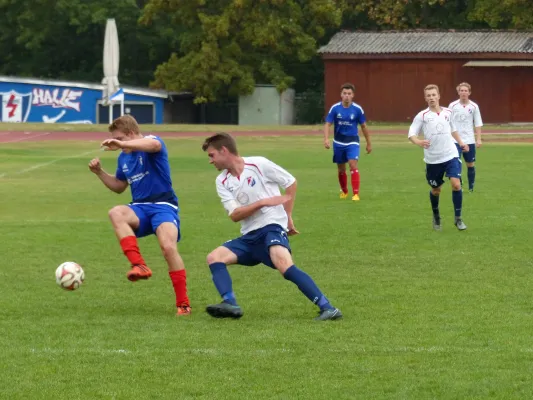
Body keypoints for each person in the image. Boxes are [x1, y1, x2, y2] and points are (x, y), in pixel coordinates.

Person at [201, 132, 342, 321]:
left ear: (224, 150)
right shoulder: (222, 181)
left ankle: (328, 308)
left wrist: (287, 216)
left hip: (271, 228)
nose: (211, 161)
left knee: (284, 265)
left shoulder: (259, 164)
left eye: (212, 155)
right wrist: (262, 202)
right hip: (249, 237)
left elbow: (290, 182)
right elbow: (235, 215)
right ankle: (230, 303)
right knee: (214, 257)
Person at [88, 115, 191, 316]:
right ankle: (139, 265)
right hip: (140, 208)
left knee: (168, 247)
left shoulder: (153, 141)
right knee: (116, 212)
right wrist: (100, 172)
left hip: (164, 206)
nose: (116, 143)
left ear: (131, 134)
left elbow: (152, 146)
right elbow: (119, 186)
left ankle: (183, 304)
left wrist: (123, 144)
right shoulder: (124, 157)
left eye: (119, 138)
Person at [408, 84, 469, 231]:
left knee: (456, 184)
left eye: (433, 95)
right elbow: (411, 134)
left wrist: (461, 143)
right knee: (436, 190)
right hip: (433, 159)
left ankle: (458, 218)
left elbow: (453, 129)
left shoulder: (448, 112)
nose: (431, 98)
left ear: (438, 96)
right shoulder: (422, 116)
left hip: (450, 155)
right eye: (428, 96)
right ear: (425, 98)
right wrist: (419, 142)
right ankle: (436, 216)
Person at [324, 82, 372, 201]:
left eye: (349, 93)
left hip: (352, 142)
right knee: (341, 168)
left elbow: (364, 126)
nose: (346, 96)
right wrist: (326, 139)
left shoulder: (357, 109)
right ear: (341, 95)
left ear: (353, 95)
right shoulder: (335, 108)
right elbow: (328, 124)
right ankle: (344, 191)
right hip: (338, 142)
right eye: (344, 93)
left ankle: (356, 194)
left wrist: (368, 143)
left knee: (352, 164)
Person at [448, 82, 483, 192]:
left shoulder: (474, 106)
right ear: (458, 92)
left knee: (470, 164)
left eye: (465, 90)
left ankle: (471, 187)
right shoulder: (452, 106)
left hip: (469, 140)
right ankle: (460, 184)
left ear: (469, 92)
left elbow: (477, 123)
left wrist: (478, 139)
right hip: (455, 140)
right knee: (456, 163)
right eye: (461, 90)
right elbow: (448, 122)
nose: (463, 92)